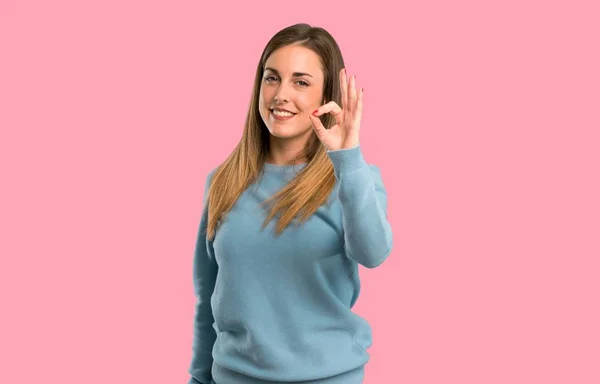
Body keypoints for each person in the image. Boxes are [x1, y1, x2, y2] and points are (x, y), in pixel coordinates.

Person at [188, 23, 393, 384]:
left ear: (325, 96)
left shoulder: (352, 177)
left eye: (301, 82)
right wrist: (198, 379)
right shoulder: (223, 182)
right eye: (272, 78)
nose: (281, 94)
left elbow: (373, 252)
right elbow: (208, 298)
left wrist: (347, 157)